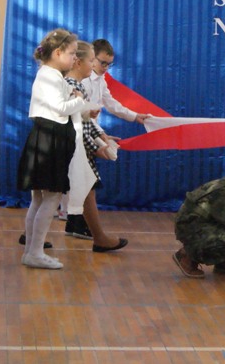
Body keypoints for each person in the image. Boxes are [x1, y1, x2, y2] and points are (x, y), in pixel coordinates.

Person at [16, 29, 97, 269]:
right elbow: (60, 108)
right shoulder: (50, 76)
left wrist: (77, 103)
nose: (75, 58)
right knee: (50, 198)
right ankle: (35, 252)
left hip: (49, 137)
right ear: (58, 52)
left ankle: (32, 251)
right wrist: (79, 99)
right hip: (50, 139)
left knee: (40, 199)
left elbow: (62, 106)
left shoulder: (52, 75)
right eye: (72, 53)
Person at [62, 38, 150, 237]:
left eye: (109, 64)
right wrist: (100, 137)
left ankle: (74, 223)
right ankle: (76, 225)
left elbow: (111, 104)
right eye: (102, 62)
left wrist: (135, 116)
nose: (105, 68)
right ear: (89, 59)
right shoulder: (79, 82)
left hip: (87, 134)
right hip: (79, 135)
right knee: (81, 182)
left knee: (82, 181)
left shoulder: (99, 80)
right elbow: (80, 115)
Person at [64, 41, 128, 253]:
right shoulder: (72, 85)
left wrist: (101, 136)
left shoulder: (79, 85)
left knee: (60, 192)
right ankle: (98, 237)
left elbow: (84, 119)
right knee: (51, 194)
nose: (94, 66)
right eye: (92, 61)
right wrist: (96, 146)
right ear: (78, 61)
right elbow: (75, 122)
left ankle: (89, 232)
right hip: (67, 143)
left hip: (74, 142)